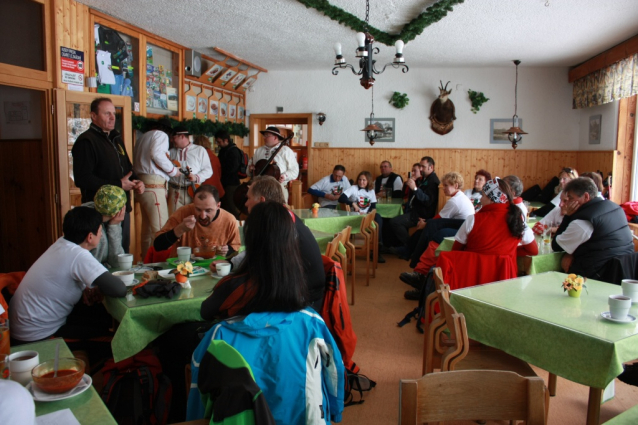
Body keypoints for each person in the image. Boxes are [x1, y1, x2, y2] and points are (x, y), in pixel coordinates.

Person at [189, 201, 344, 424]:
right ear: (291, 244)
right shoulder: (312, 323)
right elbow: (334, 373)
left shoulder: (220, 333)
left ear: (250, 243)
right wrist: (335, 415)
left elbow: (199, 394)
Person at [9, 207, 127, 348]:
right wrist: (98, 289)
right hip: (37, 337)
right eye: (100, 230)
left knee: (99, 316)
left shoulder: (62, 243)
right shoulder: (78, 255)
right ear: (90, 237)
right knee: (115, 338)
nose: (101, 235)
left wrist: (88, 288)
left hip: (21, 328)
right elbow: (119, 289)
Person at [401, 178, 537, 297]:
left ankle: (423, 290)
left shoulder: (474, 219)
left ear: (491, 198)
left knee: (437, 268)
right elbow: (533, 251)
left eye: (483, 195)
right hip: (503, 278)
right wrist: (510, 252)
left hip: (470, 278)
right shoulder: (518, 220)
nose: (481, 198)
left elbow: (456, 250)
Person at [227, 175, 326, 311]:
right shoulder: (284, 216)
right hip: (304, 289)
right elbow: (258, 253)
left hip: (305, 299)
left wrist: (230, 266)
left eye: (248, 198)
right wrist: (230, 263)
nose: (245, 203)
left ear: (262, 201)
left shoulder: (277, 224)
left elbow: (258, 259)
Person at [72, 97, 144, 253]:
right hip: (99, 212)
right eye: (107, 114)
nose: (112, 118)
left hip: (121, 209)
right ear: (93, 116)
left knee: (122, 254)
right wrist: (119, 184)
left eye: (113, 113)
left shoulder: (116, 138)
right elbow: (83, 179)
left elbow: (128, 168)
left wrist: (137, 181)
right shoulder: (86, 141)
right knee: (104, 257)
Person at [552, 177, 633, 279]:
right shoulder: (614, 207)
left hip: (599, 274)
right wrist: (571, 253)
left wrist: (568, 216)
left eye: (571, 198)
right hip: (625, 269)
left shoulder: (583, 221)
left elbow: (557, 246)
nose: (566, 203)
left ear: (586, 196)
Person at [397, 171, 475, 266]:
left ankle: (413, 256)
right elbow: (440, 219)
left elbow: (438, 220)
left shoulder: (454, 201)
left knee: (427, 228)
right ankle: (411, 254)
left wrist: (424, 223)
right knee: (426, 226)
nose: (443, 189)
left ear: (456, 185)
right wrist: (425, 222)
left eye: (446, 186)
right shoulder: (460, 197)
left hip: (461, 229)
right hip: (460, 226)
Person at [133, 121, 181, 256]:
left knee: (147, 230)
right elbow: (157, 154)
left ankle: (146, 261)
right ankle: (161, 263)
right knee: (161, 228)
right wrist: (173, 171)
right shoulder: (160, 135)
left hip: (143, 184)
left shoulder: (142, 137)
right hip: (154, 185)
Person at [154, 185, 241, 258]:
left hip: (213, 269)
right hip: (183, 268)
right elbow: (158, 246)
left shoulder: (229, 220)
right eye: (198, 209)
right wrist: (180, 229)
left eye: (208, 210)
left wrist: (227, 250)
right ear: (193, 203)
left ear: (218, 205)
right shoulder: (182, 213)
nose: (203, 216)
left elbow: (236, 248)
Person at [390, 156, 440, 249]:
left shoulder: (433, 181)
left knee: (394, 222)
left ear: (431, 167)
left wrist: (415, 188)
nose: (421, 169)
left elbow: (427, 201)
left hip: (421, 215)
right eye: (420, 166)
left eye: (423, 167)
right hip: (414, 211)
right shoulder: (426, 179)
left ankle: (410, 247)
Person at [339, 171, 386, 263]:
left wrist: (369, 214)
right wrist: (352, 203)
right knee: (376, 220)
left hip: (366, 215)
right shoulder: (354, 188)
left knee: (378, 217)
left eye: (364, 180)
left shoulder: (371, 191)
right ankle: (377, 248)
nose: (361, 182)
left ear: (368, 181)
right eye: (360, 179)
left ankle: (377, 248)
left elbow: (373, 207)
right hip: (355, 216)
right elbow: (341, 198)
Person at [168, 126, 213, 214]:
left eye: (174, 137)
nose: (172, 140)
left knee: (193, 219)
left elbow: (208, 170)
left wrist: (196, 177)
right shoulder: (171, 152)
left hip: (192, 192)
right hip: (174, 191)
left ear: (182, 136)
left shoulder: (200, 150)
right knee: (173, 219)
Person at [249, 126, 299, 203]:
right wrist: (250, 169)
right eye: (264, 135)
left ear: (275, 137)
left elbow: (295, 170)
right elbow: (251, 166)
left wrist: (285, 176)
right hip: (260, 188)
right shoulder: (259, 150)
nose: (264, 138)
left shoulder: (286, 151)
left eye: (267, 135)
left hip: (278, 188)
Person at [81, 184, 126, 267]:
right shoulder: (89, 224)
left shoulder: (94, 211)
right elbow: (116, 261)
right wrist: (114, 227)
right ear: (119, 211)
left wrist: (114, 225)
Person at [216, 130, 243, 218]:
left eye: (219, 142)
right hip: (224, 183)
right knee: (224, 207)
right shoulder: (223, 150)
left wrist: (220, 167)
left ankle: (236, 226)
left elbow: (232, 168)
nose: (218, 144)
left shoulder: (234, 151)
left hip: (232, 184)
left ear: (226, 140)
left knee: (232, 208)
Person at [193, 135, 225, 199]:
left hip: (204, 188)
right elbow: (219, 173)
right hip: (216, 187)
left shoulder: (197, 156)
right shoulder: (214, 157)